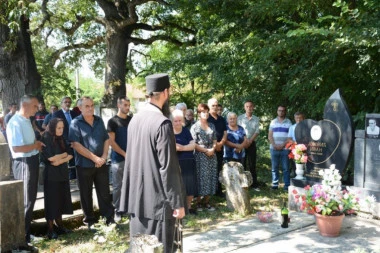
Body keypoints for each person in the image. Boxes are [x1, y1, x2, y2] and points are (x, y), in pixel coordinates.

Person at [120, 73, 185, 253]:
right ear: (165, 92)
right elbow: (168, 167)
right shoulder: (162, 123)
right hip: (158, 202)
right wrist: (178, 203)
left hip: (137, 199)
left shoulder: (135, 120)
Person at [69, 96, 115, 230]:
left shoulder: (99, 120)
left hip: (101, 164)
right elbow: (76, 145)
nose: (90, 108)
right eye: (87, 106)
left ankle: (108, 218)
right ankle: (90, 221)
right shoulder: (75, 123)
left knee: (104, 192)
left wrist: (104, 156)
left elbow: (106, 139)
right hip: (84, 165)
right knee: (85, 194)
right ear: (80, 108)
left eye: (92, 105)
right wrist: (95, 158)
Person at [6, 95, 45, 243]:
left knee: (31, 197)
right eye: (35, 106)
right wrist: (35, 146)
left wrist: (37, 145)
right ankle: (21, 237)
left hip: (32, 159)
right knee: (26, 200)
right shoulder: (15, 122)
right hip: (24, 162)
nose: (37, 109)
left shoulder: (27, 120)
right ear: (25, 106)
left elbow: (29, 142)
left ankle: (26, 234)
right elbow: (16, 148)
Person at [41, 118, 73, 239]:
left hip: (62, 173)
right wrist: (62, 155)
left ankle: (60, 226)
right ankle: (50, 229)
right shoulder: (46, 137)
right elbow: (50, 158)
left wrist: (62, 159)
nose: (61, 130)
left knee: (61, 199)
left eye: (62, 128)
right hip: (51, 175)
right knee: (52, 202)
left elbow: (70, 154)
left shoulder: (62, 138)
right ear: (53, 127)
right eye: (58, 128)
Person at [107, 96, 132, 222]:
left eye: (128, 105)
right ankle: (118, 210)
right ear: (119, 105)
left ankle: (129, 208)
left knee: (131, 185)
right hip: (118, 159)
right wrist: (124, 154)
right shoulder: (112, 122)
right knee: (118, 186)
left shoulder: (132, 120)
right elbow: (111, 142)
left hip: (132, 159)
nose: (127, 107)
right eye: (125, 105)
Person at [191, 103, 217, 212]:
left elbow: (215, 140)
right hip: (200, 156)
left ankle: (206, 202)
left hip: (211, 155)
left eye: (207, 112)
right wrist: (206, 150)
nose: (205, 114)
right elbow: (193, 144)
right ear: (199, 113)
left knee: (211, 177)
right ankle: (198, 203)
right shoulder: (195, 126)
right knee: (200, 178)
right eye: (203, 112)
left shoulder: (212, 125)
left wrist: (213, 149)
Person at [172, 109, 198, 215]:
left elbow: (193, 145)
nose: (178, 123)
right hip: (176, 163)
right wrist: (185, 147)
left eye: (180, 120)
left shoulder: (186, 131)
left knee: (190, 185)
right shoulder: (168, 132)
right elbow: (172, 147)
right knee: (177, 185)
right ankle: (178, 207)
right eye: (176, 121)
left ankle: (189, 206)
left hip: (188, 161)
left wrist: (182, 148)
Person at [52, 96, 80, 180]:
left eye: (69, 102)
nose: (68, 104)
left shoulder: (74, 114)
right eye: (65, 102)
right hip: (62, 141)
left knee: (73, 159)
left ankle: (73, 177)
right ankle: (62, 178)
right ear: (61, 104)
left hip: (74, 140)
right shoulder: (57, 114)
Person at [268, 105, 292, 191]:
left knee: (286, 168)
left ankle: (287, 185)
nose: (281, 112)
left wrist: (282, 145)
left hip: (285, 149)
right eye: (279, 110)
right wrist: (274, 145)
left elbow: (290, 137)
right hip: (273, 148)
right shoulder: (273, 122)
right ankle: (275, 184)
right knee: (274, 168)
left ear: (285, 112)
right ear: (277, 111)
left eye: (283, 110)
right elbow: (270, 135)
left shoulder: (289, 122)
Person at [237, 101, 260, 191]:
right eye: (247, 106)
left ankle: (254, 184)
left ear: (253, 107)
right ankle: (242, 183)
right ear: (244, 107)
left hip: (252, 143)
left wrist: (250, 141)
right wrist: (245, 141)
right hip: (242, 143)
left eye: (250, 106)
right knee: (242, 163)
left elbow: (257, 131)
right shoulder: (240, 118)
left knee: (252, 164)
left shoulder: (256, 118)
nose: (249, 108)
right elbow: (238, 130)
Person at [207, 98, 227, 197]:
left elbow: (225, 133)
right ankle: (210, 191)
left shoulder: (221, 119)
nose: (215, 107)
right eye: (213, 105)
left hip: (220, 148)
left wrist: (221, 143)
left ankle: (219, 190)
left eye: (216, 105)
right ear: (209, 106)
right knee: (210, 169)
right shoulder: (206, 118)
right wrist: (215, 146)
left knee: (219, 169)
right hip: (209, 149)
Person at [287, 112, 305, 178]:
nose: (298, 119)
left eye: (300, 118)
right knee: (296, 165)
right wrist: (295, 143)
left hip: (306, 148)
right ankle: (296, 178)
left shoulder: (307, 127)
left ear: (303, 118)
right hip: (296, 148)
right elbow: (289, 138)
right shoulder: (292, 127)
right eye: (297, 118)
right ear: (294, 118)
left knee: (305, 165)